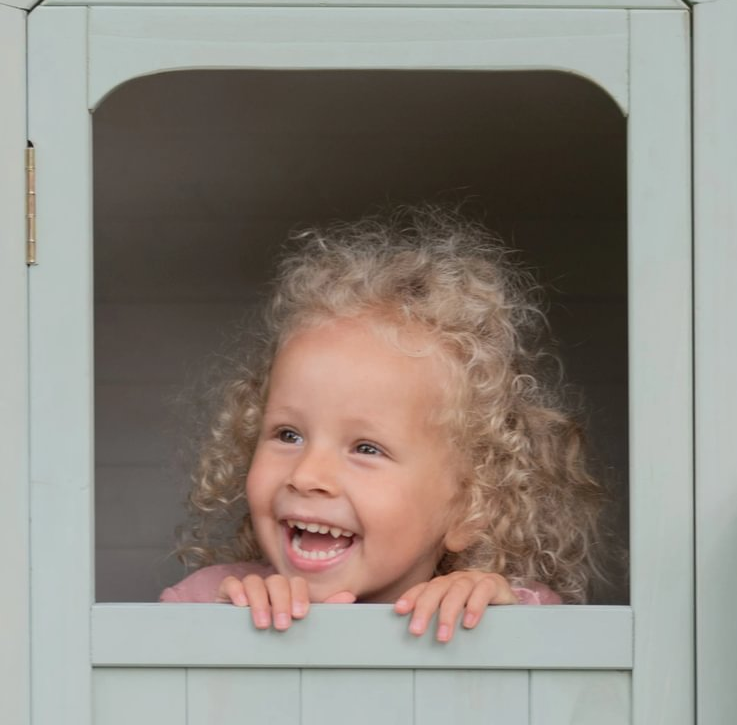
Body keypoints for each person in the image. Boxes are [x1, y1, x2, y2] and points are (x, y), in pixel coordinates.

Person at [161, 206, 608, 639]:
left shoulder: (489, 613)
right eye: (288, 434)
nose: (307, 475)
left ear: (470, 507)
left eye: (366, 448)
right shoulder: (213, 601)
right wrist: (223, 633)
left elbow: (561, 664)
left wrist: (493, 618)